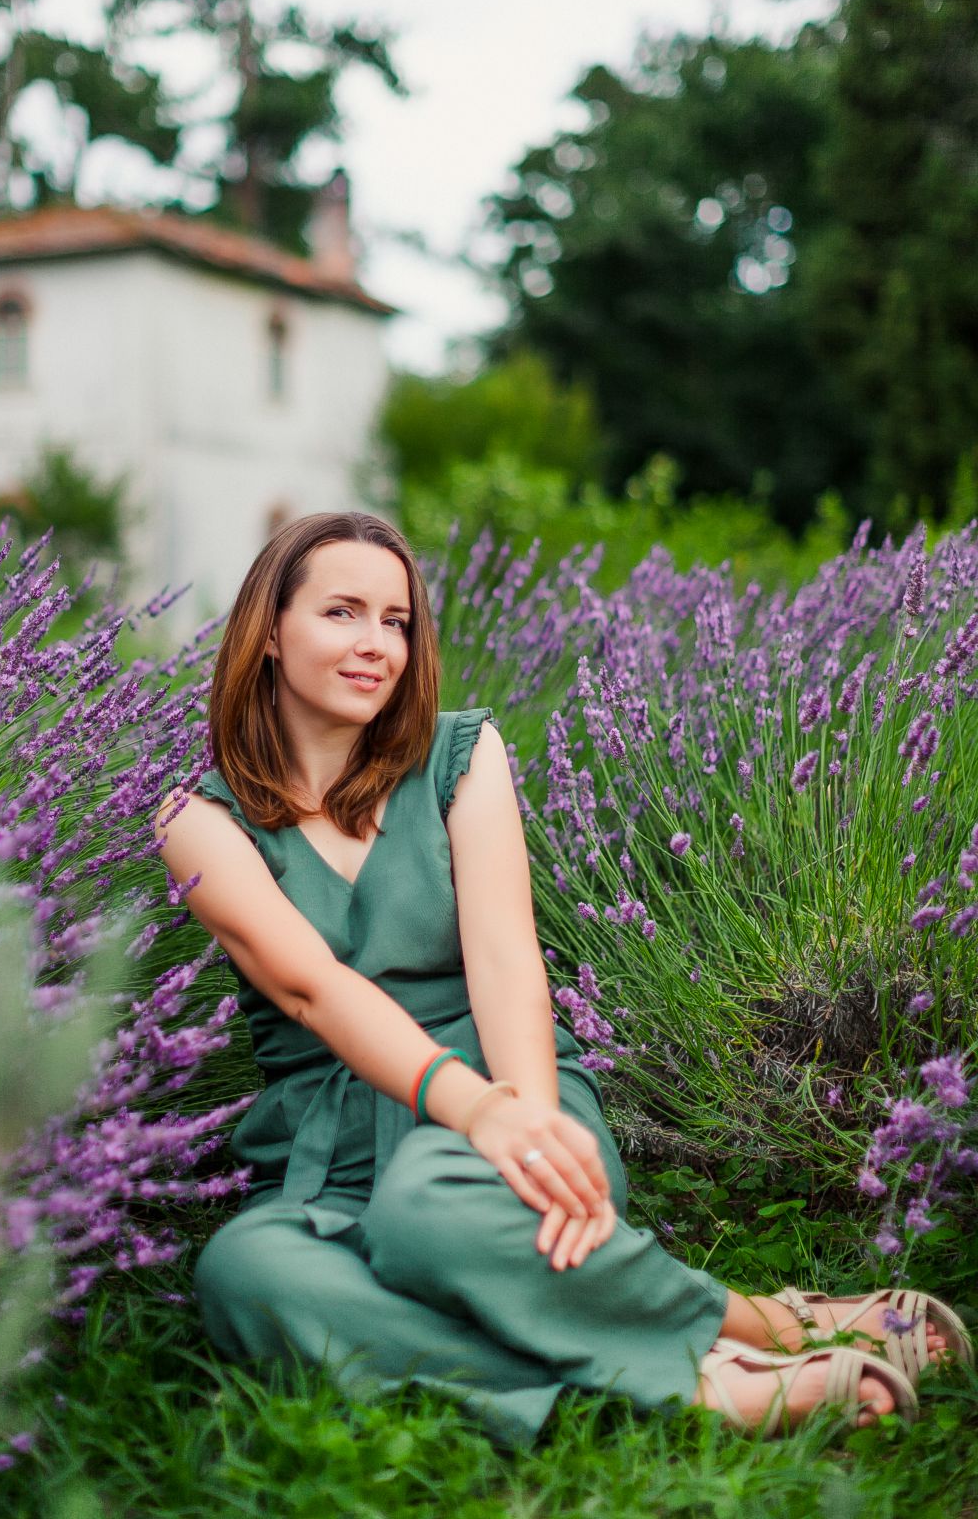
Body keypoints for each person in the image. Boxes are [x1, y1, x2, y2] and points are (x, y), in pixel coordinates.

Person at [155, 511, 967, 1448]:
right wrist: (475, 1112)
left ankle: (753, 1344)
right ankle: (699, 1363)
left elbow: (506, 958)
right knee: (246, 1272)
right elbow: (309, 989)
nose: (377, 644)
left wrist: (527, 1125)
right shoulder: (197, 819)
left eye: (397, 620)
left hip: (507, 1079)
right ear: (267, 632)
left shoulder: (461, 756)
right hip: (325, 1150)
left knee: (429, 1213)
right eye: (343, 613)